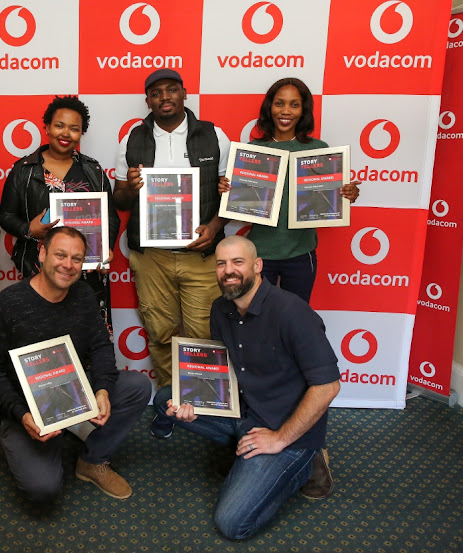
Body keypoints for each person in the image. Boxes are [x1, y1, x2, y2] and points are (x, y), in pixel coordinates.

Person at [153, 235, 341, 540]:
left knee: (232, 523)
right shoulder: (220, 308)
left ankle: (302, 465)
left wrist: (280, 438)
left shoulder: (291, 312)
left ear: (257, 266)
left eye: (238, 262)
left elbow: (328, 386)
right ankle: (248, 457)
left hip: (285, 431)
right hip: (246, 411)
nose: (229, 270)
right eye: (221, 263)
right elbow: (225, 375)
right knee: (167, 399)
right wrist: (195, 401)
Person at [0, 227, 151, 503]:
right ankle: (28, 438)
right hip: (24, 408)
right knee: (42, 489)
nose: (68, 265)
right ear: (42, 253)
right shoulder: (7, 305)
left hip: (70, 390)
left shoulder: (83, 295)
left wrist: (103, 390)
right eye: (60, 255)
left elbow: (100, 345)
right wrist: (22, 414)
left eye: (76, 259)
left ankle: (92, 460)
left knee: (138, 386)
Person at [113, 68, 231, 438]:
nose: (164, 97)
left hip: (201, 254)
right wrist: (130, 189)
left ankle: (203, 409)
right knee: (161, 334)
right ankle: (169, 404)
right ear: (147, 99)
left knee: (202, 336)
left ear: (184, 94)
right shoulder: (133, 138)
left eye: (171, 90)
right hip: (152, 258)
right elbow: (118, 198)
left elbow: (232, 192)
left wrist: (214, 227)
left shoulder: (214, 135)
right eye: (156, 93)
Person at [219, 77, 360, 303]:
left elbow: (330, 197)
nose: (286, 111)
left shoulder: (318, 149)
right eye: (279, 103)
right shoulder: (253, 150)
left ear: (303, 110)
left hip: (300, 253)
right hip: (260, 253)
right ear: (270, 107)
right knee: (257, 317)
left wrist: (345, 194)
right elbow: (241, 200)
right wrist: (228, 190)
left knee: (296, 318)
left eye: (294, 104)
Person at [0, 95, 120, 333]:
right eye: (59, 125)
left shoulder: (93, 170)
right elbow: (5, 215)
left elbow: (111, 217)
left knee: (88, 342)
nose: (66, 133)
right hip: (39, 271)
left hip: (87, 273)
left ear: (81, 133)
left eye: (74, 129)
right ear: (47, 127)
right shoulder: (24, 169)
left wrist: (105, 247)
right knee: (42, 340)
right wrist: (28, 230)